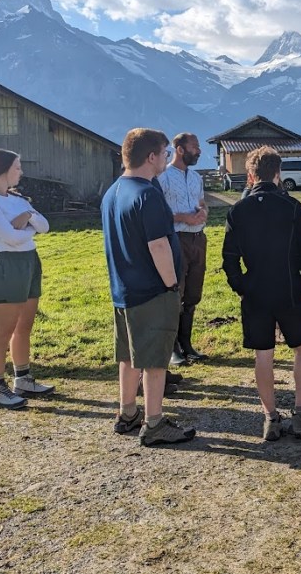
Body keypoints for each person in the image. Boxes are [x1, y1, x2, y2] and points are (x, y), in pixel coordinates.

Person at [222, 147, 301, 440]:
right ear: (278, 174)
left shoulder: (238, 210)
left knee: (263, 355)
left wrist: (241, 286)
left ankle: (270, 417)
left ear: (250, 175)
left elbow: (229, 258)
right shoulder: (292, 207)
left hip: (256, 290)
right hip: (291, 288)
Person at [102, 128, 196, 446]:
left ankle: (127, 412)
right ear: (151, 156)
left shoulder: (113, 191)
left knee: (129, 355)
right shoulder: (148, 194)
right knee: (155, 360)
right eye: (165, 153)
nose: (167, 159)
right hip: (152, 290)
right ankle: (154, 423)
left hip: (123, 289)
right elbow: (158, 245)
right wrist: (172, 284)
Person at [0, 149, 53, 410]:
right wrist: (29, 228)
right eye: (17, 167)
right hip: (6, 267)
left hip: (29, 263)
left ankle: (23, 379)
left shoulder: (18, 200)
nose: (21, 172)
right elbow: (10, 238)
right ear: (3, 169)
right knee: (3, 332)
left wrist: (27, 217)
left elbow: (45, 226)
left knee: (24, 327)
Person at [156, 132, 209, 366]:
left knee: (193, 293)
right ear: (180, 149)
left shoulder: (196, 177)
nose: (199, 151)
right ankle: (172, 348)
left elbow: (202, 202)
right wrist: (183, 217)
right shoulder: (163, 177)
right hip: (176, 239)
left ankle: (187, 343)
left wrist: (203, 212)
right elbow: (158, 212)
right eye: (194, 147)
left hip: (198, 239)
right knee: (176, 291)